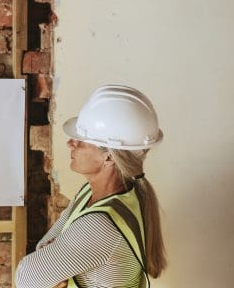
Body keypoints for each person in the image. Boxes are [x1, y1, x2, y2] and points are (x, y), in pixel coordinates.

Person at [15, 85, 167, 288]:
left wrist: (53, 261)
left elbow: (26, 279)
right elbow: (43, 247)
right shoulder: (95, 193)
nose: (71, 143)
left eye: (83, 140)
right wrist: (50, 258)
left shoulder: (100, 226)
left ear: (109, 157)